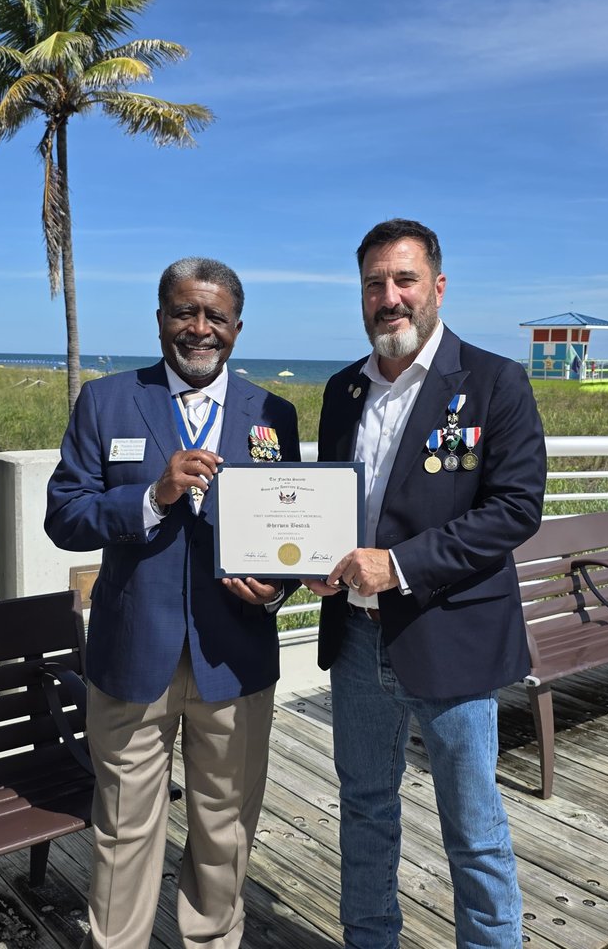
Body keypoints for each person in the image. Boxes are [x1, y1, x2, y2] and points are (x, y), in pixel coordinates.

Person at [303, 219, 547, 949]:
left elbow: (515, 507)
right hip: (353, 638)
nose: (389, 297)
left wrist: (398, 564)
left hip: (449, 637)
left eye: (403, 280)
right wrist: (317, 555)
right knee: (364, 809)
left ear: (436, 286)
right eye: (374, 283)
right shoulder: (343, 390)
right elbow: (331, 501)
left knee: (472, 826)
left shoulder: (493, 381)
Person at [45, 257, 300, 949]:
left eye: (215, 317)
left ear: (237, 329)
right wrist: (150, 498)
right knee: (125, 828)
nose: (199, 328)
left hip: (236, 656)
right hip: (133, 658)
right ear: (160, 319)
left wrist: (280, 586)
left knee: (224, 826)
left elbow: (296, 527)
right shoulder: (106, 401)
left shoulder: (272, 412)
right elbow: (65, 517)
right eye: (185, 312)